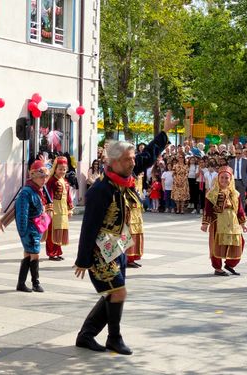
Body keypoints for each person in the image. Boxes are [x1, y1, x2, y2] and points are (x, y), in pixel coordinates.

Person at [74, 111, 174, 355]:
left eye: (132, 159)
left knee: (114, 292)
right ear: (114, 162)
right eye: (128, 159)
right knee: (118, 291)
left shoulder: (124, 176)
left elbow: (147, 157)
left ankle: (86, 336)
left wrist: (164, 133)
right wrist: (83, 259)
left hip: (117, 245)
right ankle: (113, 338)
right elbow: (88, 226)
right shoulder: (101, 189)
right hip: (100, 249)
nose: (133, 162)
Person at [201, 166, 247, 276]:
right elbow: (207, 209)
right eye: (222, 177)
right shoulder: (212, 193)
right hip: (217, 222)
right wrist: (205, 224)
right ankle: (217, 268)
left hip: (233, 223)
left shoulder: (235, 193)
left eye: (226, 178)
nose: (224, 180)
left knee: (240, 243)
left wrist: (243, 223)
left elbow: (239, 209)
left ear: (231, 179)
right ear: (218, 178)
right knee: (216, 245)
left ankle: (230, 264)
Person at [14, 160, 52, 292]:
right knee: (35, 254)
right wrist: (23, 231)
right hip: (29, 229)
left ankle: (21, 283)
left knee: (28, 254)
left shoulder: (38, 189)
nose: (44, 180)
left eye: (46, 177)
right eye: (41, 177)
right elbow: (21, 213)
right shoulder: (26, 192)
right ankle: (35, 282)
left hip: (36, 228)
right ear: (34, 176)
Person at [45, 156, 73, 261]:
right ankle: (51, 253)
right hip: (54, 209)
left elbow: (68, 196)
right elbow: (48, 195)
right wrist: (49, 209)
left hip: (63, 210)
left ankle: (58, 251)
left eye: (64, 169)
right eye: (60, 169)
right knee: (52, 231)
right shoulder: (51, 181)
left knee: (59, 231)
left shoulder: (65, 181)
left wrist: (70, 209)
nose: (62, 171)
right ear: (55, 169)